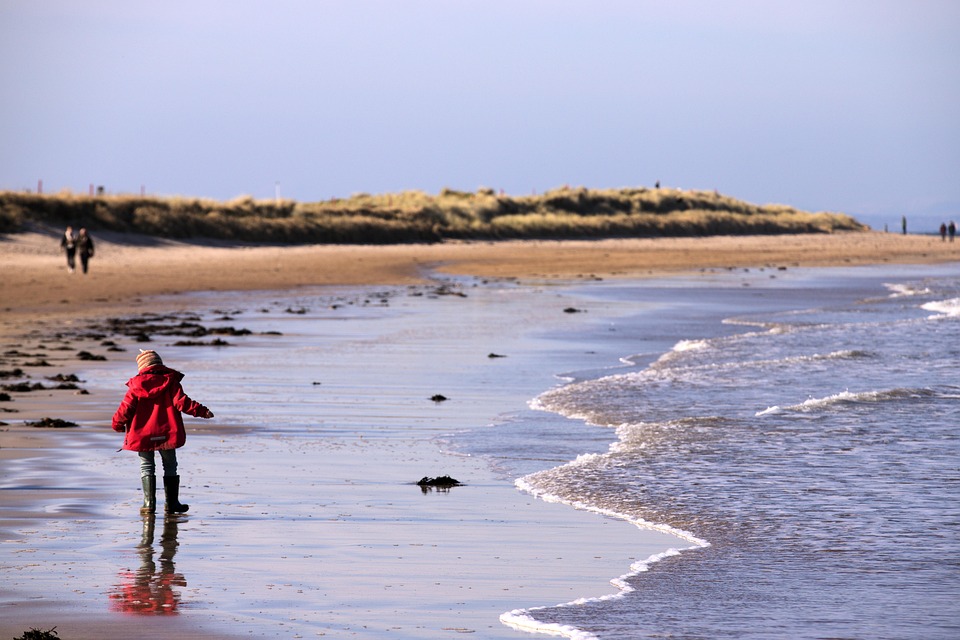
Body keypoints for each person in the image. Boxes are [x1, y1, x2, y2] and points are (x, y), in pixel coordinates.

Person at [112, 350, 214, 514]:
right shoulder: (170, 383)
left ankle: (149, 504)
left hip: (142, 435)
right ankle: (172, 503)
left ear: (142, 367)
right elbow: (183, 402)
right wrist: (203, 411)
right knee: (170, 466)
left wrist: (117, 424)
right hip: (167, 433)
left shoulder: (136, 386)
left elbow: (125, 409)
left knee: (146, 467)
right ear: (159, 364)